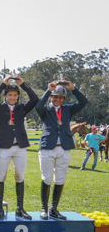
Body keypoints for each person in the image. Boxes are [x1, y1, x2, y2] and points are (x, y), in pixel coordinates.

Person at [0, 76, 39, 219]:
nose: (12, 97)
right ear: (5, 96)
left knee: (19, 176)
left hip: (20, 146)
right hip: (4, 146)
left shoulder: (21, 107)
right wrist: (2, 85)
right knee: (1, 176)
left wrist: (23, 84)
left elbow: (35, 99)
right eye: (10, 95)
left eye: (15, 95)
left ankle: (20, 208)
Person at [35, 81, 87, 220]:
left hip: (64, 148)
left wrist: (72, 89)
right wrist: (48, 90)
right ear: (51, 97)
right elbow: (38, 105)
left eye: (60, 97)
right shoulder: (45, 109)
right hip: (47, 148)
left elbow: (83, 101)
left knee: (60, 179)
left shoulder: (68, 109)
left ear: (63, 99)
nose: (57, 99)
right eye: (54, 96)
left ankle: (54, 209)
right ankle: (44, 208)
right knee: (46, 178)